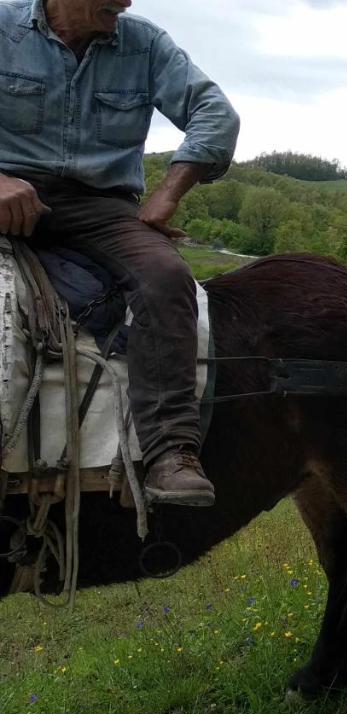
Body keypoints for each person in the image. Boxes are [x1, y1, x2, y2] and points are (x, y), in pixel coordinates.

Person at [0, 0, 239, 506]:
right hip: (6, 194)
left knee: (165, 277)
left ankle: (170, 451)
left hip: (100, 206)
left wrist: (168, 193)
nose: (127, 0)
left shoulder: (145, 44)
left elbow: (215, 113)